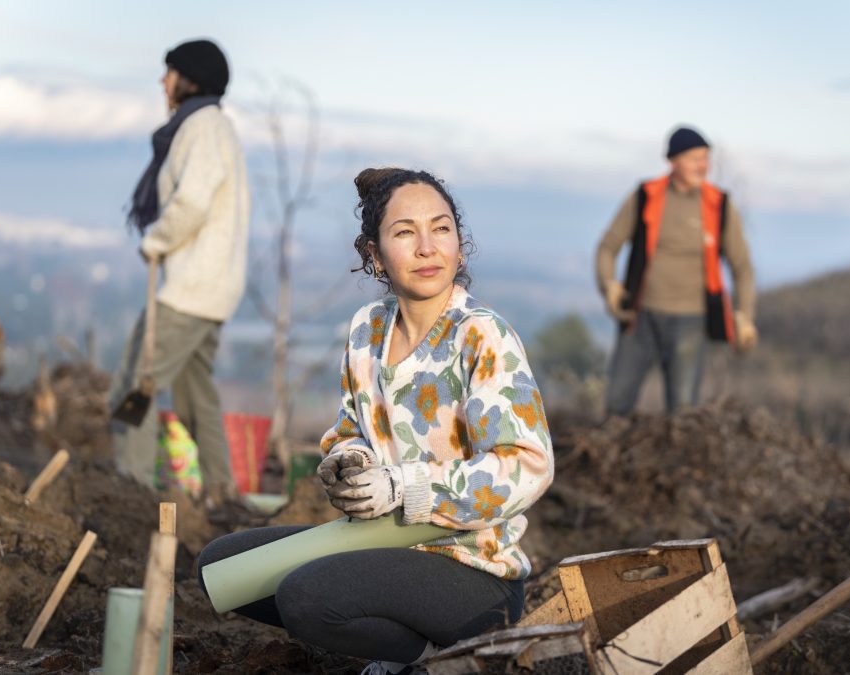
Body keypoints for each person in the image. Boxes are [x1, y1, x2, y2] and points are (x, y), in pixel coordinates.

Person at [196, 168, 554, 675]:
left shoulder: (482, 337)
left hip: (472, 572)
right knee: (220, 567)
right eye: (405, 232)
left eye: (442, 228)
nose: (428, 247)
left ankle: (437, 662)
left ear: (461, 245)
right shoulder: (368, 330)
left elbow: (528, 466)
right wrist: (350, 460)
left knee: (306, 596)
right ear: (374, 256)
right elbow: (350, 427)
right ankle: (409, 649)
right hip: (380, 543)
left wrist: (404, 485)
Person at [109, 38, 249, 501]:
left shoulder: (204, 127)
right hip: (210, 289)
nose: (161, 82)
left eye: (168, 72)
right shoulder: (209, 127)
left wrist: (156, 241)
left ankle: (130, 494)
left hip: (191, 289)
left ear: (188, 79)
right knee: (195, 394)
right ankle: (222, 492)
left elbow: (191, 200)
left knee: (136, 386)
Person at [595, 125, 756, 416]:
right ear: (673, 161)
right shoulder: (645, 196)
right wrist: (610, 287)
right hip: (639, 318)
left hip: (691, 322)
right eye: (695, 158)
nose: (703, 166)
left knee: (683, 413)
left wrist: (744, 316)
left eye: (706, 159)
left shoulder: (719, 205)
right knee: (617, 403)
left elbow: (742, 267)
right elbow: (608, 246)